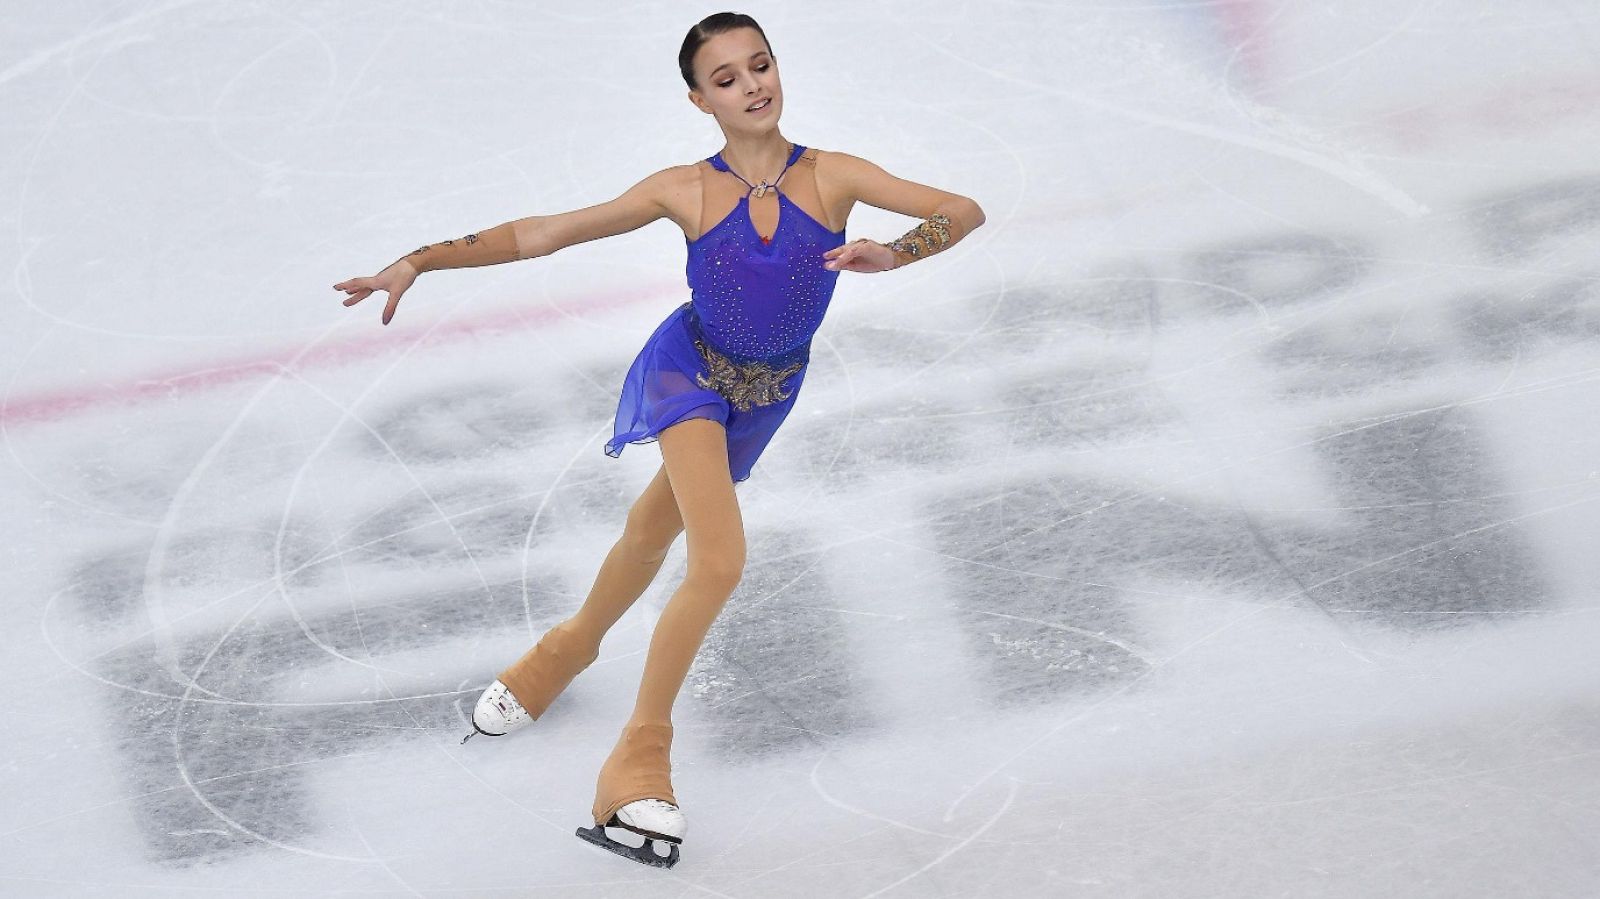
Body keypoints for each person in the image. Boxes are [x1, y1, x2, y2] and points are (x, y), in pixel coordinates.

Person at [333, 11, 984, 869]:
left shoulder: (833, 176)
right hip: (689, 372)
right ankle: (637, 756)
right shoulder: (685, 189)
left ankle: (563, 649)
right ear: (698, 98)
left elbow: (962, 209)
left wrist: (897, 253)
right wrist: (421, 259)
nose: (753, 85)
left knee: (651, 529)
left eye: (761, 65)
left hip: (770, 393)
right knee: (718, 560)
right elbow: (546, 233)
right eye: (727, 77)